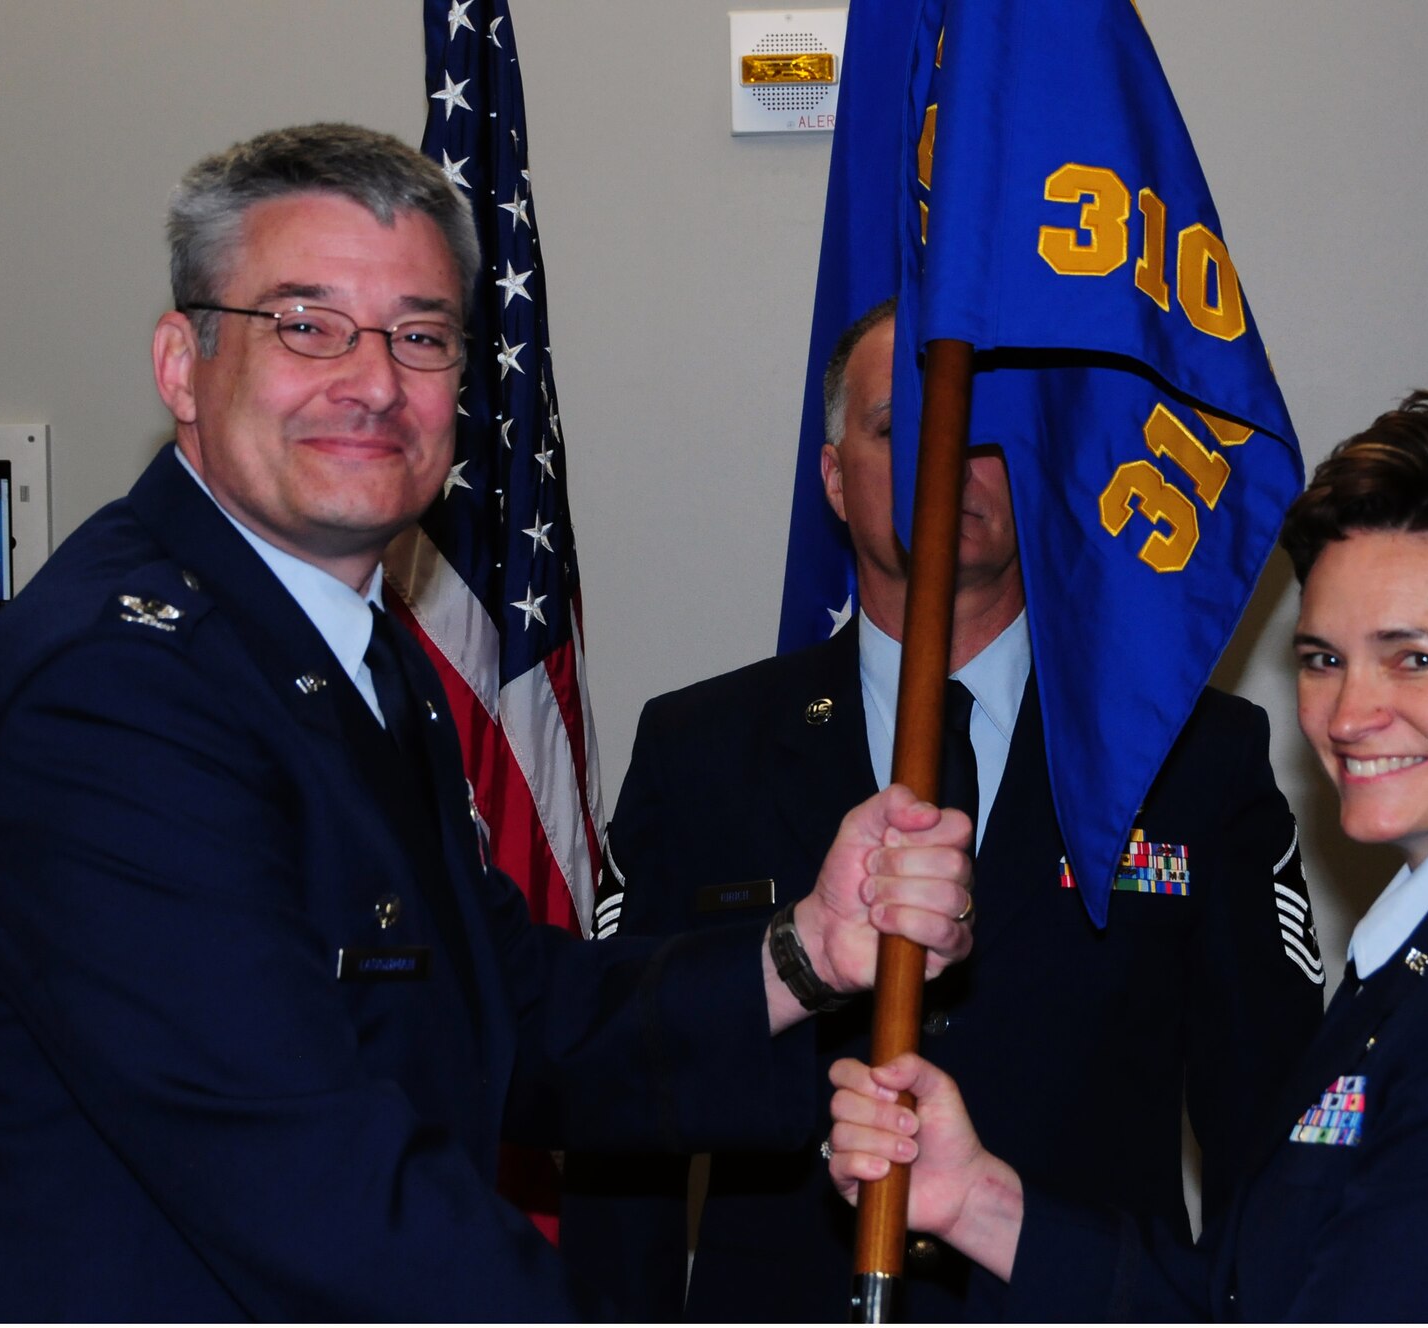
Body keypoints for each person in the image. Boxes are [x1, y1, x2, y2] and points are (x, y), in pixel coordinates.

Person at [0, 124, 978, 1322]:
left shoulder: (357, 655)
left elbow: (510, 1007)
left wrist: (804, 949)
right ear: (181, 363)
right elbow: (314, 1189)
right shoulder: (106, 700)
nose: (373, 381)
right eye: (303, 321)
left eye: (422, 335)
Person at [825, 390, 1428, 1320]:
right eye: (1322, 659)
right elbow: (1256, 1296)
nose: (1349, 717)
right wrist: (977, 1199)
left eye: (1415, 659)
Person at [562, 300, 1325, 1320]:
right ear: (834, 477)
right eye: (897, 426)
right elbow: (627, 1118)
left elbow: (1265, 1121)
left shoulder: (1189, 752)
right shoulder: (700, 747)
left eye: (984, 433)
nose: (944, 458)